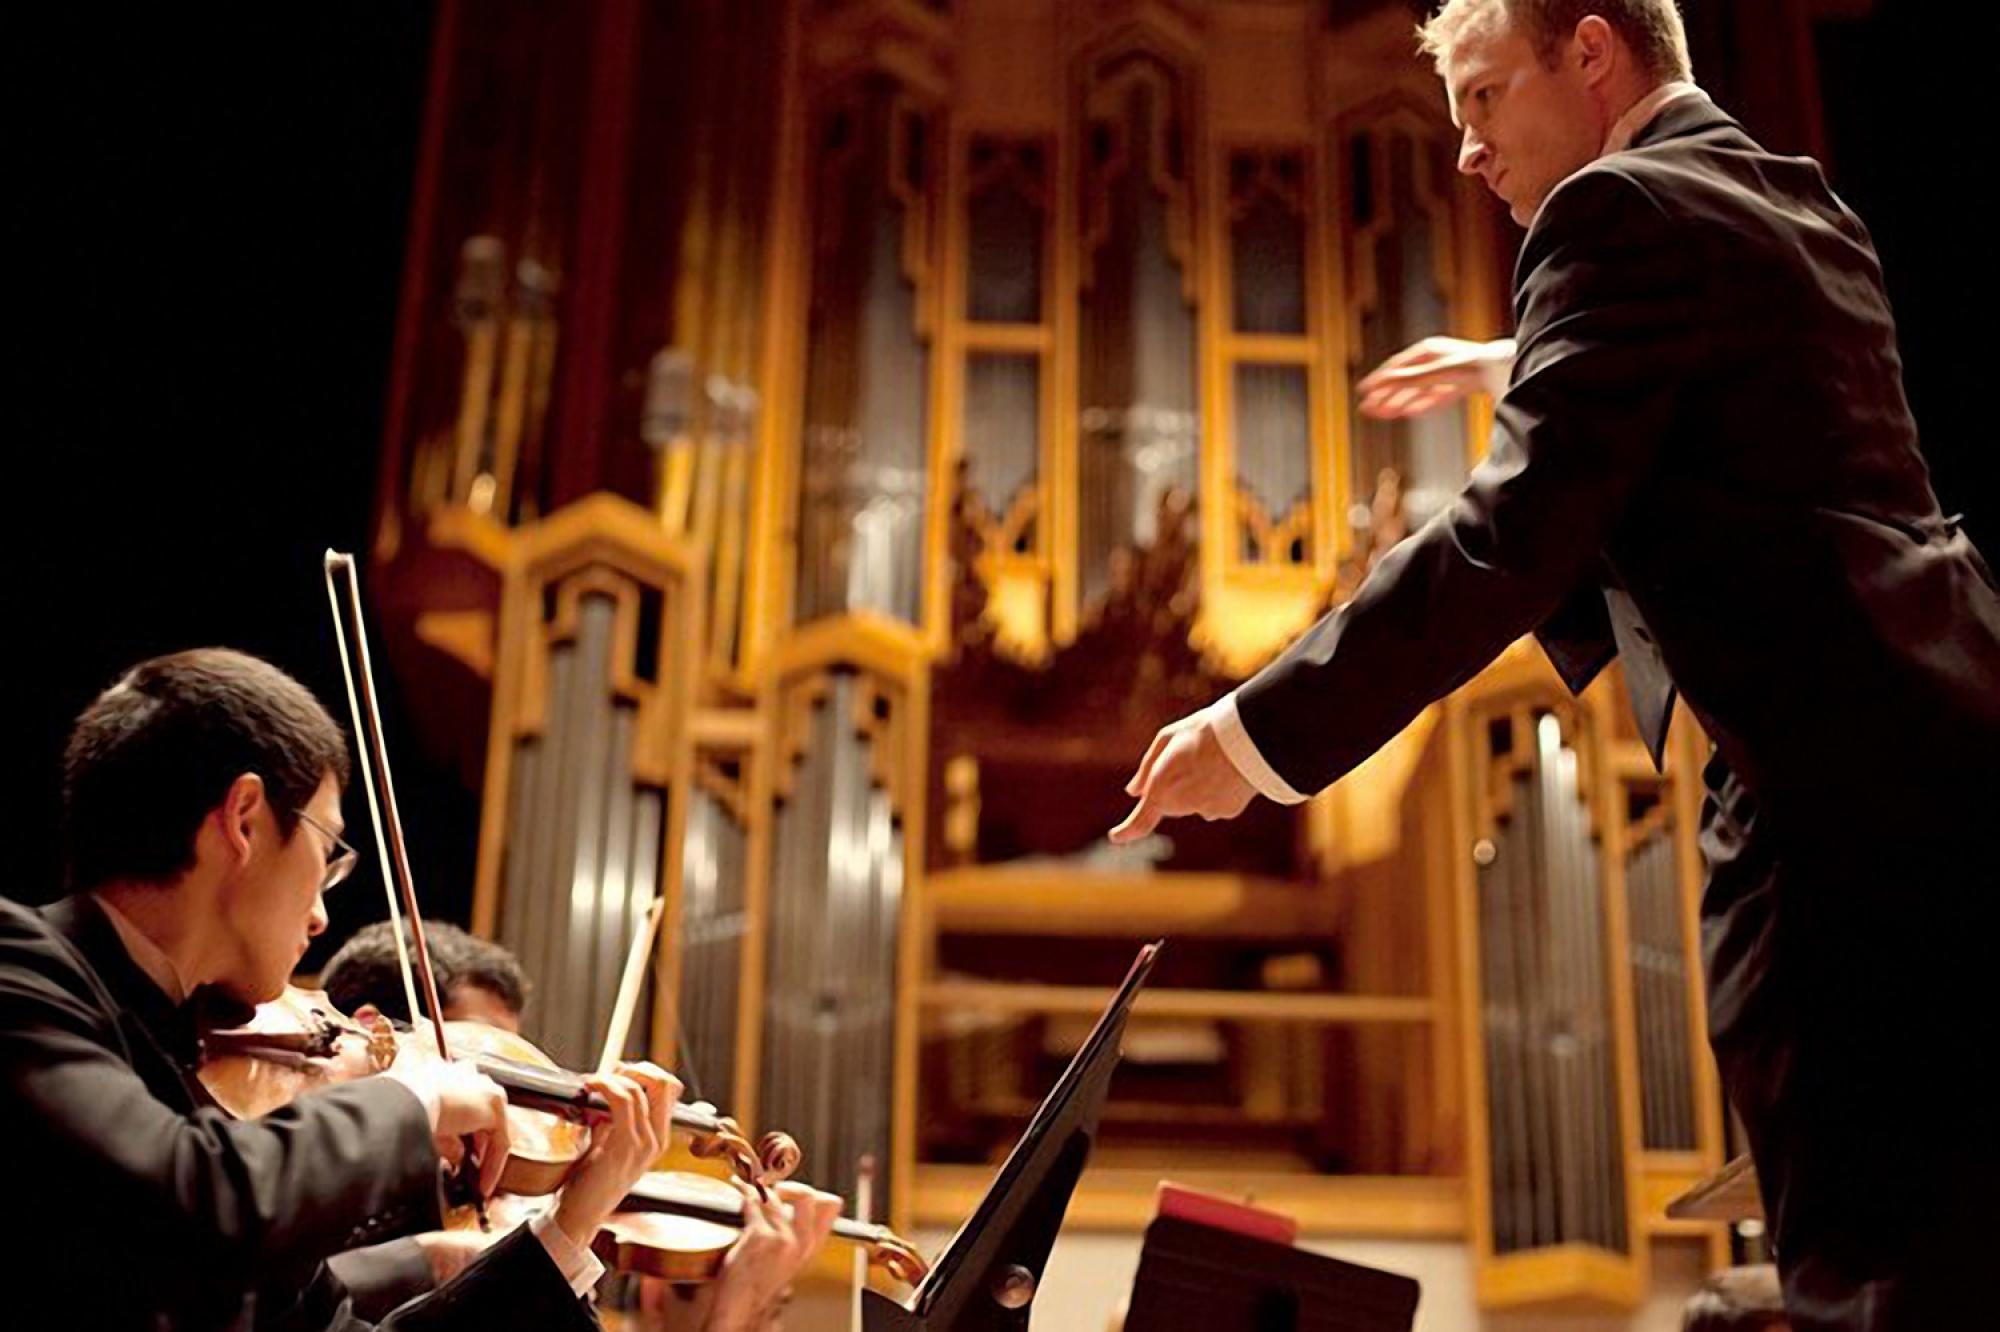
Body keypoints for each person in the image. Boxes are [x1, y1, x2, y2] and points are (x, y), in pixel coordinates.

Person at [1112, 3, 2000, 1328]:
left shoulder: (1614, 215)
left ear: (1591, 54)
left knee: (1858, 1281)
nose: (1466, 151)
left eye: (1481, 101)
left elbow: (1504, 541)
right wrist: (1520, 356)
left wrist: (1251, 739)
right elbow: (1743, 378)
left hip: (1830, 834)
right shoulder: (1789, 194)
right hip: (1956, 769)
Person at [0, 647, 680, 1331]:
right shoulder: (21, 967)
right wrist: (412, 1100)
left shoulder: (192, 1083)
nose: (321, 916)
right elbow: (191, 1204)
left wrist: (568, 1230)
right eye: (328, 855)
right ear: (244, 820)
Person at [318, 919, 842, 1327]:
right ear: (378, 1037)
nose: (500, 1110)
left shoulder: (509, 1246)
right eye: (480, 1068)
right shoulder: (305, 1215)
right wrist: (432, 1257)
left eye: (515, 1073)